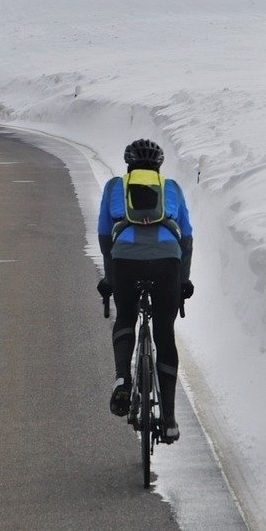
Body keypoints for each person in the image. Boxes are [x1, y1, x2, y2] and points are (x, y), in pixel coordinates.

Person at [96, 138, 194, 442]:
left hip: (126, 260)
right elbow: (186, 239)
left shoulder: (115, 187)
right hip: (167, 261)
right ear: (159, 166)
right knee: (164, 333)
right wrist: (183, 281)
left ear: (129, 165)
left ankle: (123, 378)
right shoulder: (172, 188)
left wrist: (110, 278)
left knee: (125, 316)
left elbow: (103, 235)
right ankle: (169, 420)